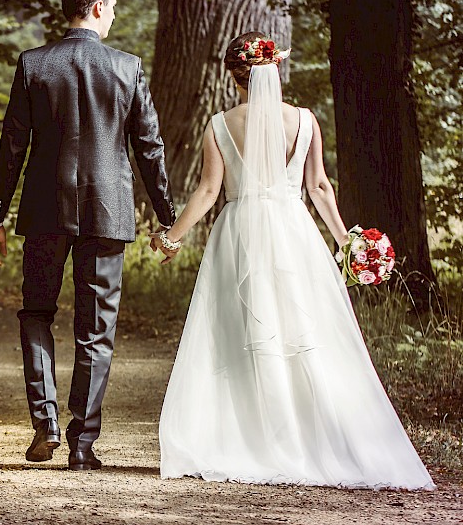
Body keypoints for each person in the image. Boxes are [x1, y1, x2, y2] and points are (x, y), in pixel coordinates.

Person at [154, 31, 434, 490]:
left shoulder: (221, 124)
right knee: (301, 329)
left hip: (240, 231)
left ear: (234, 76)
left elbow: (208, 191)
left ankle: (250, 436)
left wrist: (170, 238)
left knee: (240, 331)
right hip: (293, 230)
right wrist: (347, 242)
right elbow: (320, 187)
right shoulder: (305, 121)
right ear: (275, 69)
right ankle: (314, 434)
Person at [0, 0, 176, 471]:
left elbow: (12, 147)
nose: (113, 14)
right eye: (111, 6)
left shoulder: (33, 64)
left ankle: (44, 422)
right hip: (107, 211)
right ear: (95, 7)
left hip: (44, 208)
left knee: (36, 313)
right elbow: (149, 148)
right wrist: (166, 217)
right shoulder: (127, 67)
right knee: (96, 329)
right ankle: (81, 443)